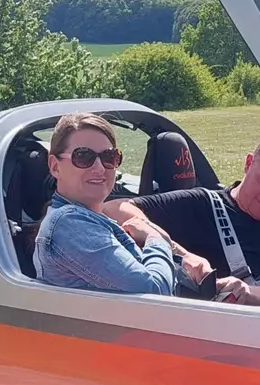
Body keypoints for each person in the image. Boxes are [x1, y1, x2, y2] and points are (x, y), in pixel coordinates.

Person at [104, 128, 260, 308]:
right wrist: (177, 251)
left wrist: (252, 295)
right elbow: (114, 208)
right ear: (248, 164)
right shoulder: (201, 206)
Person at [33, 112, 176, 295]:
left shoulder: (92, 218)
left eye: (109, 157)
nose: (100, 168)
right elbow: (155, 291)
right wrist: (154, 239)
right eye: (83, 156)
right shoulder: (68, 223)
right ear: (55, 166)